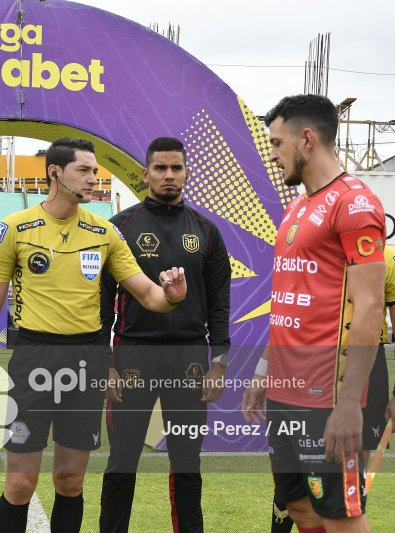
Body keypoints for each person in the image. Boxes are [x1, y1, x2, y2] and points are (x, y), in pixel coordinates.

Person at [0, 137, 188, 533]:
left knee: (70, 482)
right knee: (20, 484)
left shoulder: (104, 232)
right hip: (33, 360)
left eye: (95, 171)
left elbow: (147, 293)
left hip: (87, 363)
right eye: (84, 170)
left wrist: (171, 297)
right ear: (55, 173)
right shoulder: (14, 229)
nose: (94, 179)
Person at [241, 94, 386, 533]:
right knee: (299, 508)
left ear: (307, 139)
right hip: (287, 390)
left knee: (340, 516)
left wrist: (348, 404)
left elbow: (370, 306)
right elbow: (287, 301)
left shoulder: (354, 203)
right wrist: (266, 369)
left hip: (326, 398)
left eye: (277, 143)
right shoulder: (298, 207)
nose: (272, 153)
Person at [98, 136, 231, 533]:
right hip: (132, 356)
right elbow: (101, 306)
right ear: (145, 173)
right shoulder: (119, 227)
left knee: (187, 462)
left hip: (190, 358)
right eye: (160, 168)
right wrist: (106, 365)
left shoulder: (207, 232)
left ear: (187, 173)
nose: (169, 175)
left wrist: (219, 362)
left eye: (176, 168)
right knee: (122, 461)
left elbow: (220, 305)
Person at [269, 244, 395, 532]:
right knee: (296, 479)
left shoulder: (386, 258)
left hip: (365, 371)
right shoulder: (308, 252)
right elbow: (286, 317)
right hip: (307, 368)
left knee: (349, 486)